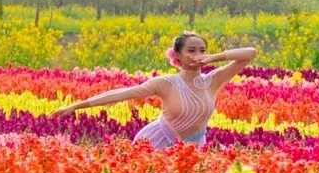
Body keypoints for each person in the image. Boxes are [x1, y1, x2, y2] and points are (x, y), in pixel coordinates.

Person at [56, 30, 260, 150]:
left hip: (194, 147)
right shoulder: (166, 83)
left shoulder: (213, 80)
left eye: (202, 50)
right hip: (156, 143)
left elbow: (250, 53)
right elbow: (122, 94)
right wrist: (77, 106)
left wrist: (215, 58)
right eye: (191, 50)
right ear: (177, 57)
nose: (198, 55)